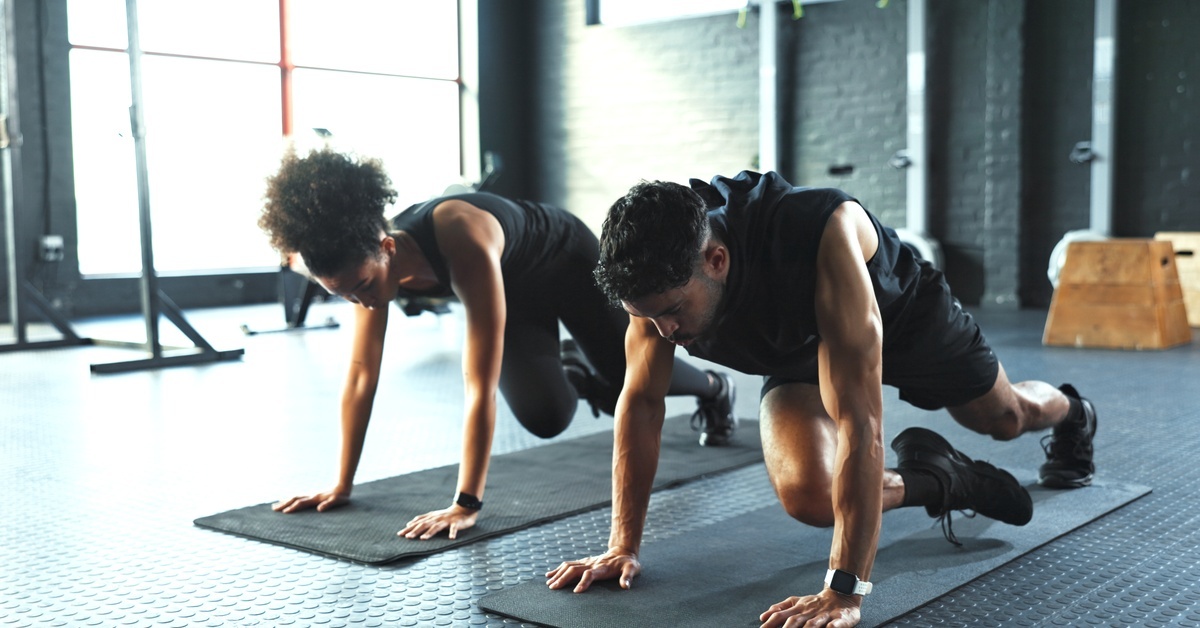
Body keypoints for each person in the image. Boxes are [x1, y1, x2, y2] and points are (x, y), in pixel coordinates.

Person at [545, 171, 1097, 627]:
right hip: (793, 349)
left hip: (904, 318)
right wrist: (622, 545)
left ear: (716, 260)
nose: (664, 332)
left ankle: (1074, 413)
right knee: (813, 497)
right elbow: (641, 405)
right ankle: (941, 477)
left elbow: (862, 423)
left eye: (674, 312)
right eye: (648, 317)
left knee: (1004, 418)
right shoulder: (656, 276)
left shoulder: (820, 232)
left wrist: (845, 591)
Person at [257, 146, 737, 541]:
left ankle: (715, 387)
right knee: (546, 417)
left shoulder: (459, 232)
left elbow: (478, 384)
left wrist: (465, 503)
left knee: (628, 375)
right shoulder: (366, 269)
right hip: (516, 291)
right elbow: (362, 376)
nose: (360, 302)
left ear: (386, 248)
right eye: (342, 296)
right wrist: (341, 484)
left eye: (361, 287)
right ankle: (570, 370)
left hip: (564, 260)